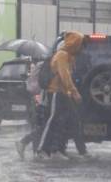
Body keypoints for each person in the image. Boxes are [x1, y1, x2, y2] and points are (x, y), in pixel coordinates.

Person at [36, 31, 88, 159]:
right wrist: (74, 92)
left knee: (69, 121)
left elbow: (69, 76)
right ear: (74, 44)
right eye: (81, 45)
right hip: (55, 93)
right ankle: (41, 150)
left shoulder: (70, 57)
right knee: (52, 121)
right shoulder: (62, 55)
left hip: (64, 93)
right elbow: (65, 76)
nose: (82, 49)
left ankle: (57, 150)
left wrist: (71, 92)